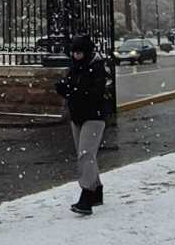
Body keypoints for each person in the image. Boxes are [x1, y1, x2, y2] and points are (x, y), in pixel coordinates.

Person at [55, 35, 108, 215]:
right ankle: (97, 189)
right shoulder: (74, 68)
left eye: (79, 53)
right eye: (74, 52)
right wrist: (64, 88)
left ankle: (87, 195)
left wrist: (73, 91)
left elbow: (96, 92)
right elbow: (70, 86)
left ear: (86, 52)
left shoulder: (97, 68)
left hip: (94, 116)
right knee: (85, 156)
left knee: (86, 155)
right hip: (77, 115)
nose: (76, 56)